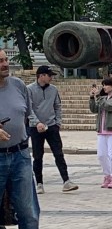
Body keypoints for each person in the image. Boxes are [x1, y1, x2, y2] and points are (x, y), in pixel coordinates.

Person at [0, 49, 42, 229]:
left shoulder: (17, 86)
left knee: (29, 211)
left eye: (6, 60)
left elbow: (28, 114)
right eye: (0, 61)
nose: (5, 64)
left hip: (20, 155)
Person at [27, 65, 77, 193]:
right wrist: (36, 122)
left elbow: (57, 106)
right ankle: (39, 183)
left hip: (52, 126)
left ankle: (66, 181)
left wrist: (58, 122)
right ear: (41, 76)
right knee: (38, 156)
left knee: (59, 153)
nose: (51, 78)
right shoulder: (29, 90)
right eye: (49, 75)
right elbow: (28, 109)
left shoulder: (53, 90)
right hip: (36, 128)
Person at [89, 77, 112, 190]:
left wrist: (99, 97)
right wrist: (92, 98)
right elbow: (94, 109)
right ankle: (107, 175)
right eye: (103, 85)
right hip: (102, 130)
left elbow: (108, 106)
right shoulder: (103, 98)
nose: (104, 87)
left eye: (106, 85)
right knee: (101, 155)